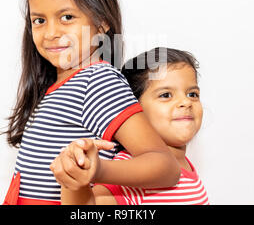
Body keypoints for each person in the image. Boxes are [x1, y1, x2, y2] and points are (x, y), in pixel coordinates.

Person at [2, 0, 180, 205]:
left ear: (101, 22)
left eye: (67, 17)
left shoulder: (97, 81)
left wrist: (99, 171)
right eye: (39, 20)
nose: (51, 33)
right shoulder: (58, 86)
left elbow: (165, 167)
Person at [52, 47, 209, 205]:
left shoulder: (187, 166)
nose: (186, 102)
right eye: (166, 95)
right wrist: (76, 177)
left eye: (192, 94)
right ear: (136, 109)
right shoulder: (131, 169)